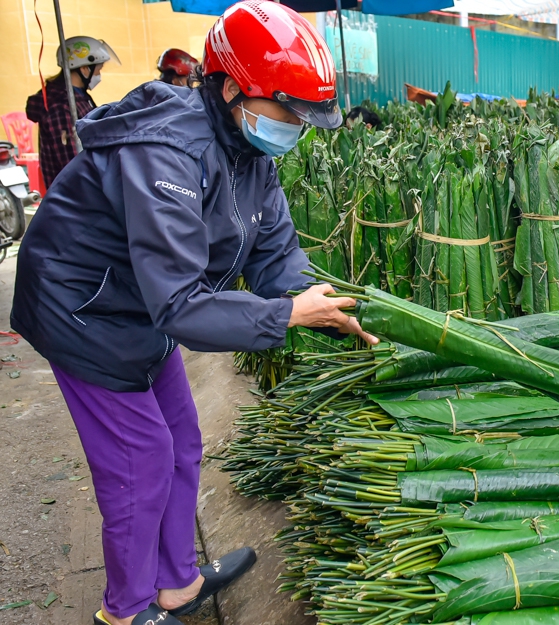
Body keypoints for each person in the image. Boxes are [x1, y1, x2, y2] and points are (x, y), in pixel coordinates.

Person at [10, 3, 368, 625]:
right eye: (291, 112)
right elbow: (179, 303)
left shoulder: (249, 148)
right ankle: (123, 610)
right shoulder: (166, 150)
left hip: (141, 306)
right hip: (84, 310)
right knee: (139, 461)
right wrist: (284, 315)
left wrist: (324, 303)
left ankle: (175, 583)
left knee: (182, 441)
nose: (298, 129)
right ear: (232, 88)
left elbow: (275, 250)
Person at [25, 36, 118, 189]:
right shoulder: (62, 106)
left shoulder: (78, 96)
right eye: (98, 69)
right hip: (73, 192)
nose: (99, 75)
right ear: (84, 69)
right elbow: (70, 158)